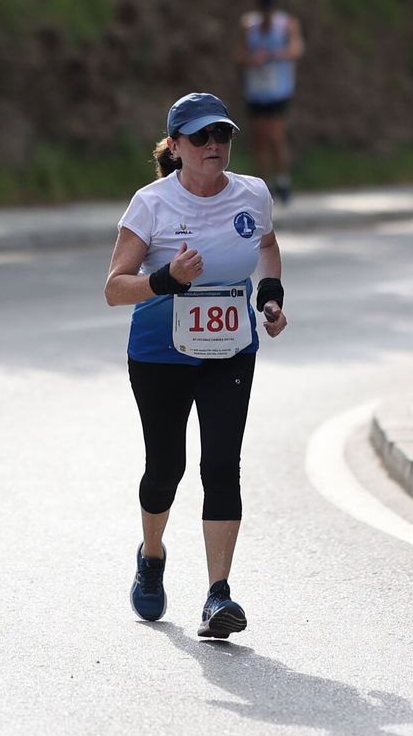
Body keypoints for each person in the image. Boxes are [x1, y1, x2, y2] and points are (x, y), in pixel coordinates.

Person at [104, 92, 287, 638]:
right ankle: (152, 553)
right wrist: (167, 279)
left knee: (222, 465)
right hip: (160, 354)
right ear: (176, 145)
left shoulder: (253, 194)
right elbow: (114, 288)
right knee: (167, 469)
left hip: (231, 351)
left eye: (222, 134)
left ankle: (217, 595)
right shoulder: (151, 204)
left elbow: (267, 247)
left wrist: (270, 297)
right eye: (201, 136)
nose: (214, 145)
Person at [236, 0, 304, 205]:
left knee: (276, 137)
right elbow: (238, 54)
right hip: (256, 91)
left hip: (278, 90)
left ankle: (283, 180)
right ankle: (263, 186)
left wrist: (275, 55)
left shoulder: (286, 24)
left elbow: (296, 49)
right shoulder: (248, 25)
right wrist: (252, 59)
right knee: (260, 140)